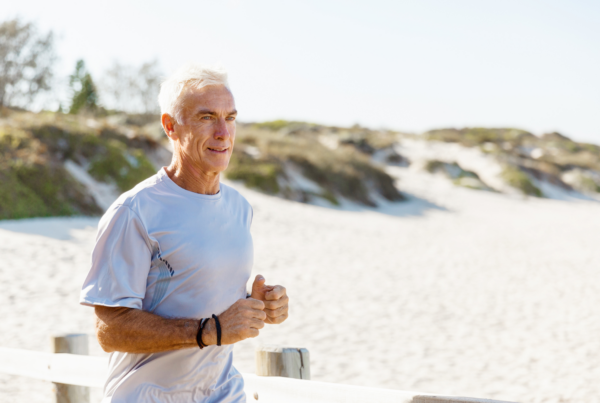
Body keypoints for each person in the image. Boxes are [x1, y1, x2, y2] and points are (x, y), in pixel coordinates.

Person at [79, 63, 289, 403]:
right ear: (170, 127)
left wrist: (262, 307)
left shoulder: (239, 208)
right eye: (207, 117)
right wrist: (210, 331)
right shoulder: (135, 211)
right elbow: (110, 330)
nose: (224, 132)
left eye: (230, 117)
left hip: (223, 393)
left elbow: (207, 296)